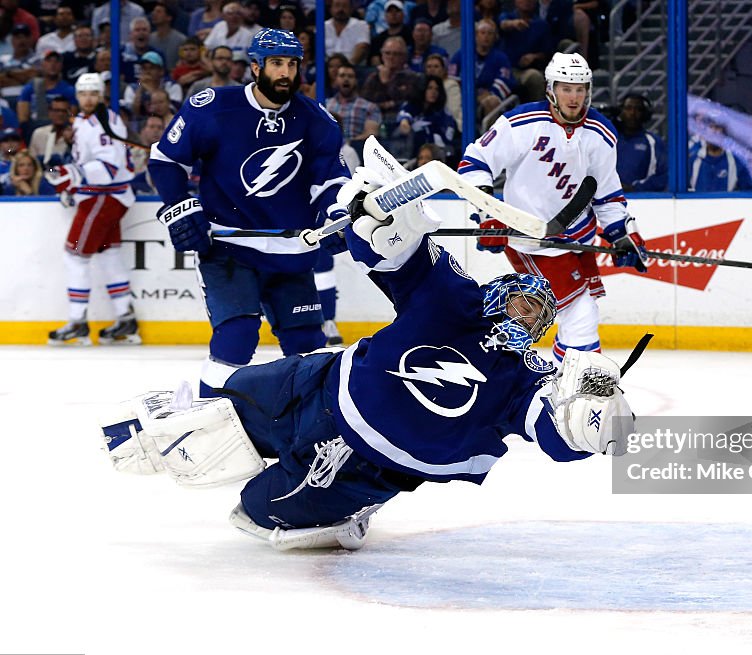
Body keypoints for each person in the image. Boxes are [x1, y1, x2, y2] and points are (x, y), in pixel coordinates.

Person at [101, 153, 635, 551]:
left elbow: (555, 435)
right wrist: (373, 219)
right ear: (503, 292)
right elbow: (393, 254)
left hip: (370, 466)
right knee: (211, 423)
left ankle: (348, 508)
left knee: (257, 515)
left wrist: (596, 420)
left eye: (537, 316)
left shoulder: (527, 376)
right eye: (522, 302)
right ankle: (156, 424)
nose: (526, 315)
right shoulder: (457, 295)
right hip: (320, 385)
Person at [148, 29, 352, 396]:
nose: (285, 73)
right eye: (276, 64)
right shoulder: (213, 107)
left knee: (308, 349)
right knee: (236, 338)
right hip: (228, 250)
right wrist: (179, 207)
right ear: (255, 66)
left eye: (292, 64)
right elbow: (166, 160)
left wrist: (336, 215)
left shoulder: (317, 121)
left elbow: (331, 181)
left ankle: (308, 433)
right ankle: (206, 421)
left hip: (292, 255)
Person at [459, 52, 646, 363]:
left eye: (580, 89)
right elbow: (474, 162)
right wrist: (487, 214)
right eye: (565, 88)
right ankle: (573, 386)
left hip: (576, 241)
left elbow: (608, 196)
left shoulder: (601, 134)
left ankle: (559, 384)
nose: (573, 97)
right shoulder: (522, 123)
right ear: (550, 89)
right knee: (579, 315)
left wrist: (624, 235)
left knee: (577, 313)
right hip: (529, 239)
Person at [44, 72, 141, 346]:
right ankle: (125, 318)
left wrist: (70, 175)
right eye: (83, 94)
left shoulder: (102, 122)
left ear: (100, 95)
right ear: (78, 96)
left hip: (104, 197)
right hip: (107, 196)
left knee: (74, 255)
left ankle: (77, 322)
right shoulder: (87, 120)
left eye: (93, 93)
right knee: (109, 254)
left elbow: (108, 169)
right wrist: (73, 185)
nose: (88, 98)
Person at [614, 92, 666, 192]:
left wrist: (635, 188)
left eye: (638, 109)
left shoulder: (653, 142)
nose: (632, 113)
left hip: (640, 201)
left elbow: (663, 176)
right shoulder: (608, 138)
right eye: (628, 108)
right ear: (621, 111)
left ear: (645, 114)